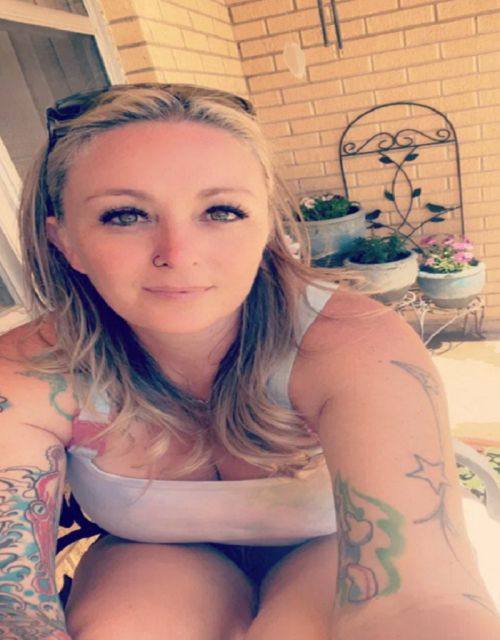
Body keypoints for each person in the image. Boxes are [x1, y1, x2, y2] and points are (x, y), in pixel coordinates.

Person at [0, 83, 498, 640]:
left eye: (221, 211)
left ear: (266, 226)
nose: (178, 254)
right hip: (153, 558)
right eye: (125, 215)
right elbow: (10, 608)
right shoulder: (27, 369)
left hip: (332, 547)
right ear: (64, 240)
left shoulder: (355, 343)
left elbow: (417, 599)